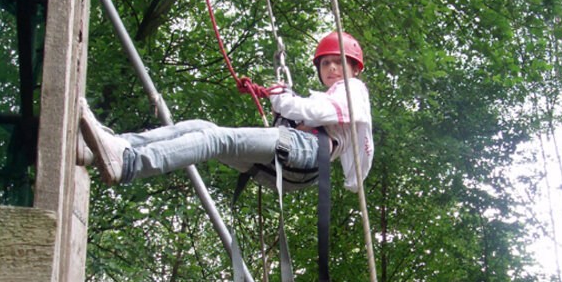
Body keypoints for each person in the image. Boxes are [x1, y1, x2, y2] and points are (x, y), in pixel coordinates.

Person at [79, 31, 374, 193]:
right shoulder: (333, 99)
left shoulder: (353, 91)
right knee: (200, 127)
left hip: (307, 153)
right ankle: (112, 148)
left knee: (218, 139)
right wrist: (280, 99)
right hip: (290, 164)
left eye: (339, 62)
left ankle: (130, 163)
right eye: (325, 63)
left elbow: (318, 111)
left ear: (354, 68)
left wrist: (283, 99)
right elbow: (314, 114)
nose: (332, 68)